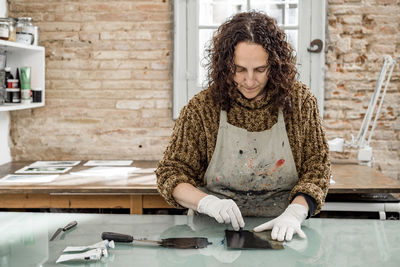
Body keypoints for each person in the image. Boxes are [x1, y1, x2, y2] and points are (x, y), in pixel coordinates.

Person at [156, 11, 330, 242]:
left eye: (260, 70)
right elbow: (171, 173)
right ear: (225, 64)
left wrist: (295, 213)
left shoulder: (299, 103)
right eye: (239, 69)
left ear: (276, 65)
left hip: (283, 231)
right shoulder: (202, 108)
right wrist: (206, 202)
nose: (249, 81)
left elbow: (317, 168)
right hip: (213, 234)